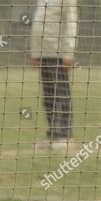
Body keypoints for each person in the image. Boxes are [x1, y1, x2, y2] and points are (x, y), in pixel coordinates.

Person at [30, 0, 78, 151]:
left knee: (61, 94)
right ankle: (53, 134)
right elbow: (38, 25)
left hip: (58, 53)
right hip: (44, 54)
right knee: (49, 96)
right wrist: (35, 53)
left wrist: (68, 52)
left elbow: (71, 23)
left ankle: (65, 135)